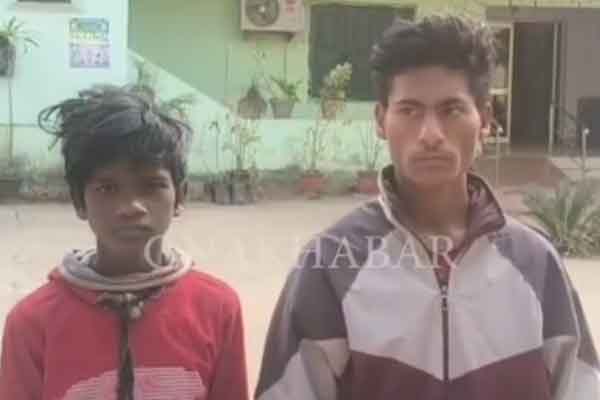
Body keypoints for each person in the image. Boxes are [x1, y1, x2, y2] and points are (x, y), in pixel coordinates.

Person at [255, 15, 599, 400]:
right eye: (409, 110)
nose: (431, 134)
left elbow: (581, 386)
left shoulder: (535, 263)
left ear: (485, 119)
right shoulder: (330, 266)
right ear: (381, 120)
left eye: (451, 110)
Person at [0, 85, 248, 400]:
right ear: (79, 201)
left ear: (179, 197)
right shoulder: (32, 323)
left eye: (152, 186)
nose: (132, 206)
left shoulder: (218, 308)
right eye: (107, 188)